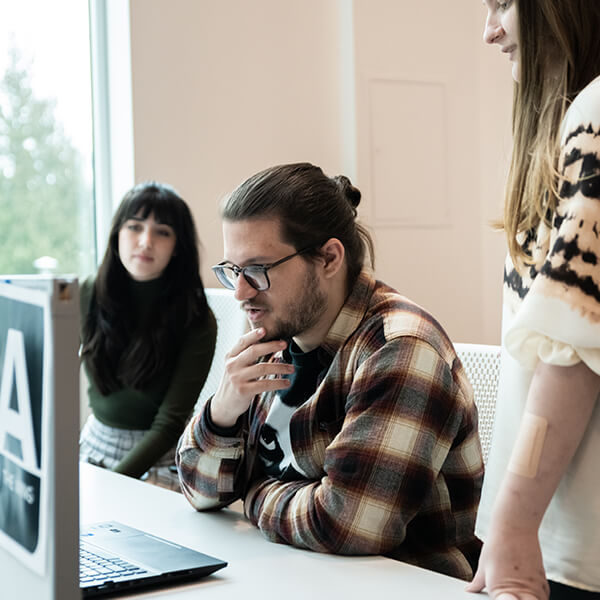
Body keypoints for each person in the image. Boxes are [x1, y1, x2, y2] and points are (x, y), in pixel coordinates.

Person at [176, 162, 484, 579]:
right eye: (233, 271)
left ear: (329, 258)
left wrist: (251, 493)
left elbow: (346, 524)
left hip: (402, 585)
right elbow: (200, 492)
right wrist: (223, 411)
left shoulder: (400, 349)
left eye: (258, 270)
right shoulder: (272, 337)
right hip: (296, 574)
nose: (241, 293)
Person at [467, 2, 600, 599]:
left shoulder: (596, 112)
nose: (489, 30)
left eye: (502, 4)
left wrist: (516, 523)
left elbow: (574, 343)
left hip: (568, 538)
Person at [80, 181, 217, 490]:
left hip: (161, 461)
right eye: (134, 226)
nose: (145, 241)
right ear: (117, 234)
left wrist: (112, 484)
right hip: (92, 445)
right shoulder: (88, 293)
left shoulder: (196, 319)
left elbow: (169, 425)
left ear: (177, 246)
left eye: (162, 232)